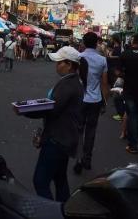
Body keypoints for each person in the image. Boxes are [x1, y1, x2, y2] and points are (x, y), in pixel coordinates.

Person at [25, 46, 86, 201]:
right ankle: (63, 211)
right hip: (65, 137)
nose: (56, 65)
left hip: (58, 139)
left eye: (60, 62)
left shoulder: (68, 84)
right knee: (59, 179)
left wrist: (26, 110)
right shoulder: (71, 82)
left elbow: (51, 109)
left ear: (69, 64)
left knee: (40, 181)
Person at [73, 32, 109, 174]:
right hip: (95, 100)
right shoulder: (102, 60)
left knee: (79, 129)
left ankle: (78, 159)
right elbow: (104, 83)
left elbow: (74, 79)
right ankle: (87, 159)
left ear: (83, 43)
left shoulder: (78, 58)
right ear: (96, 44)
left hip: (80, 99)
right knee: (91, 130)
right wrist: (105, 102)